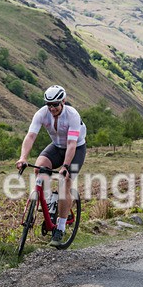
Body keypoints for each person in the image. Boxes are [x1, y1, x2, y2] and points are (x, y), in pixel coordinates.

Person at [16, 85, 87, 247]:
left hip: (76, 148)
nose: (52, 108)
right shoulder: (41, 114)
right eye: (49, 104)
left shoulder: (72, 115)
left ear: (63, 101)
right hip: (56, 146)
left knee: (65, 182)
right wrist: (23, 157)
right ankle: (48, 201)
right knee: (38, 168)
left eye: (55, 104)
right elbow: (30, 136)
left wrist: (65, 166)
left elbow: (71, 144)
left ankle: (60, 229)